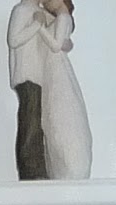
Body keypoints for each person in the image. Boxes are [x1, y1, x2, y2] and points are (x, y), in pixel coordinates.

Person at [36, 0, 92, 179]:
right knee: (54, 114)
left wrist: (39, 28)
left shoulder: (62, 17)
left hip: (56, 67)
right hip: (54, 66)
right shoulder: (61, 18)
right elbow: (65, 44)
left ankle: (70, 167)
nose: (46, 3)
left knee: (60, 110)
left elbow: (55, 45)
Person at [7, 0, 54, 179]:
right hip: (27, 74)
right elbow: (14, 39)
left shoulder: (37, 10)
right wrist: (36, 25)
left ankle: (38, 166)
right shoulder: (22, 10)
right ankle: (31, 169)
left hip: (38, 75)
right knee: (31, 120)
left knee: (37, 121)